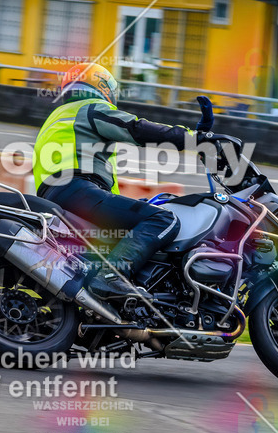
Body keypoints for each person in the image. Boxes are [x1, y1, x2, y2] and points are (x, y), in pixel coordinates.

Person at [33, 63, 210, 299]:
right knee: (164, 219)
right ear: (103, 86)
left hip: (56, 196)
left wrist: (136, 204)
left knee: (127, 229)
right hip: (77, 191)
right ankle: (112, 276)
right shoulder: (91, 108)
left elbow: (106, 191)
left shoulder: (57, 118)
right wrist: (194, 138)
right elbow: (136, 129)